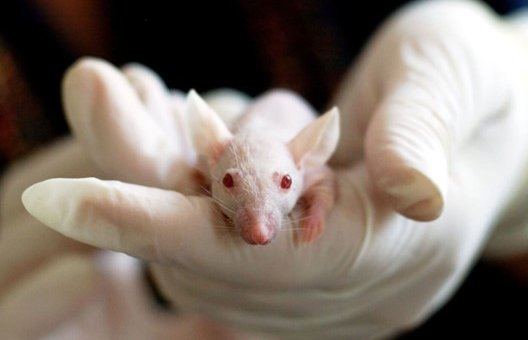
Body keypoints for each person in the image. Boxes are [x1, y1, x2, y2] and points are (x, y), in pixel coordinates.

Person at [2, 0, 528, 338]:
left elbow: (315, 185)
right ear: (210, 152)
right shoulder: (218, 158)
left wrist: (511, 172)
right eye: (226, 183)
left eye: (284, 186)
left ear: (310, 154)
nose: (257, 230)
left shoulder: (306, 164)